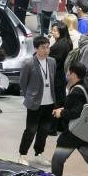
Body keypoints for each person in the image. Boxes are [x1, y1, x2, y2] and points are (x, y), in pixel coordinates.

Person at [51, 62, 88, 176]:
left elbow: (76, 113)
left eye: (69, 71)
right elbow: (81, 108)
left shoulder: (76, 91)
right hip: (84, 131)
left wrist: (61, 113)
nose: (67, 73)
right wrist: (64, 108)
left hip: (74, 133)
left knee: (57, 160)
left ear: (73, 75)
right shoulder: (84, 86)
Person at [18, 36, 58, 166]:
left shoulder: (52, 61)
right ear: (36, 48)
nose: (46, 50)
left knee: (44, 130)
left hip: (49, 101)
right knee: (31, 130)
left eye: (48, 47)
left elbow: (52, 79)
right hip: (34, 102)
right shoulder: (29, 63)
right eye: (43, 48)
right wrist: (29, 96)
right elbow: (23, 83)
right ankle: (22, 154)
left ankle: (38, 154)